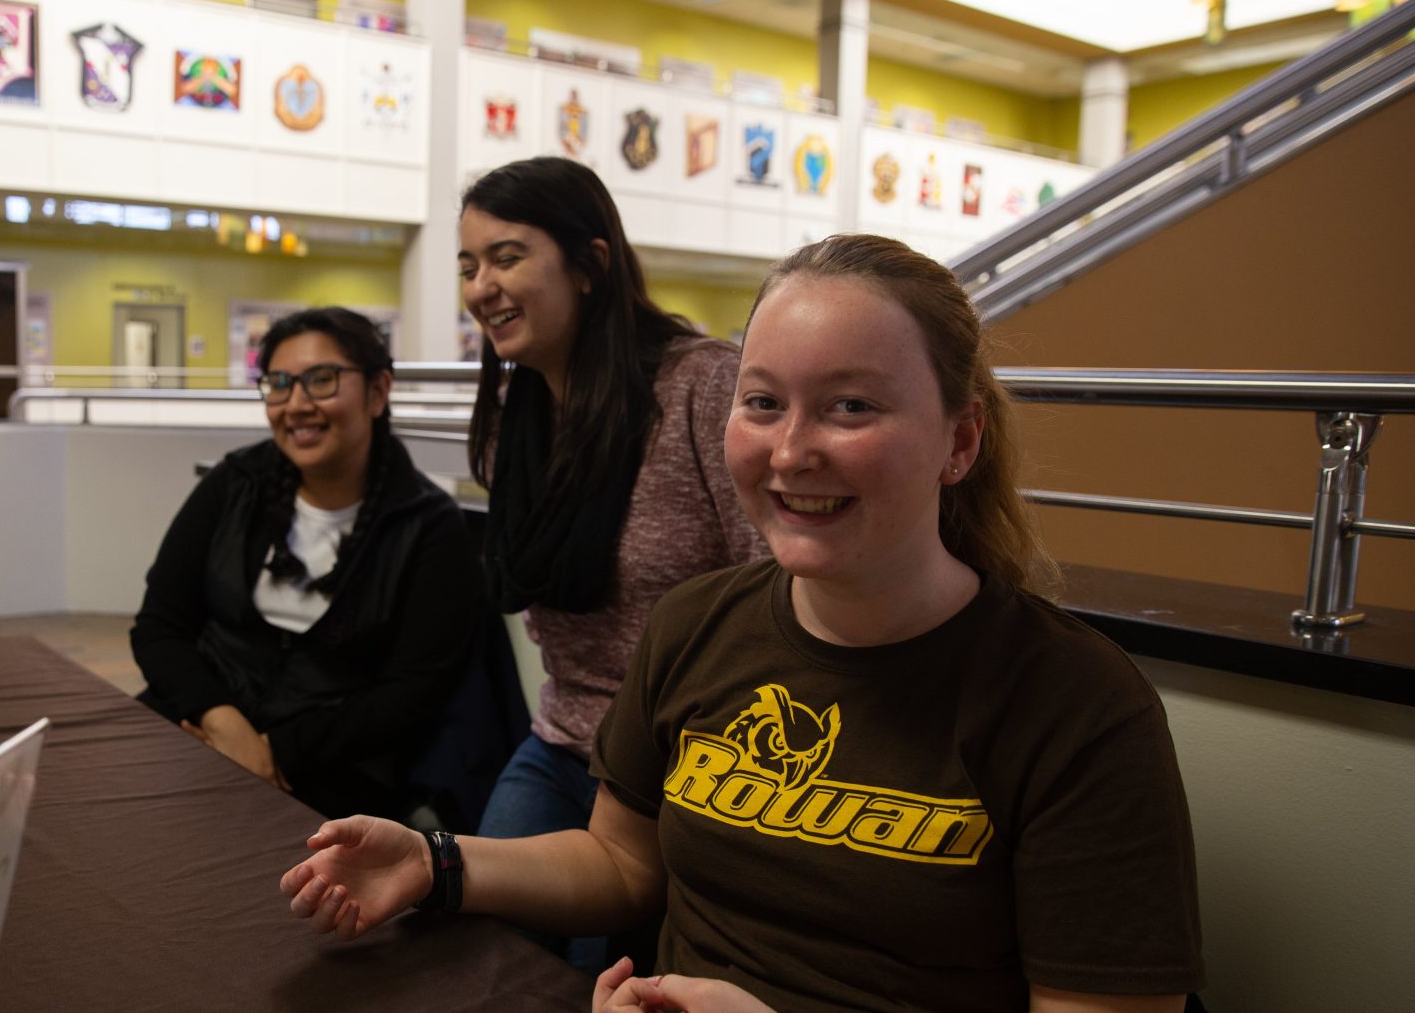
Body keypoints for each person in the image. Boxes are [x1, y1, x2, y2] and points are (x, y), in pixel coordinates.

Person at [279, 236, 1205, 1013]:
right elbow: (618, 861)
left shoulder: (1076, 705)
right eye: (762, 401)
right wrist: (435, 860)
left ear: (958, 441)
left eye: (851, 406)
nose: (792, 450)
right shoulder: (696, 625)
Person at [458, 158, 765, 884]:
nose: (480, 288)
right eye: (469, 265)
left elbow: (772, 586)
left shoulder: (703, 385)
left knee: (602, 983)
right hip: (562, 741)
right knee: (475, 947)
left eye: (507, 258)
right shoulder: (515, 418)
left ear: (590, 264)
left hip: (685, 765)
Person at [129, 307, 485, 821]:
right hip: (198, 727)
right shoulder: (235, 486)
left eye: (321, 380)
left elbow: (412, 694)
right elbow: (159, 626)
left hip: (335, 771)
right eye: (278, 383)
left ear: (379, 391)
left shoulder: (428, 527)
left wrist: (275, 753)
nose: (296, 404)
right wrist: (224, 722)